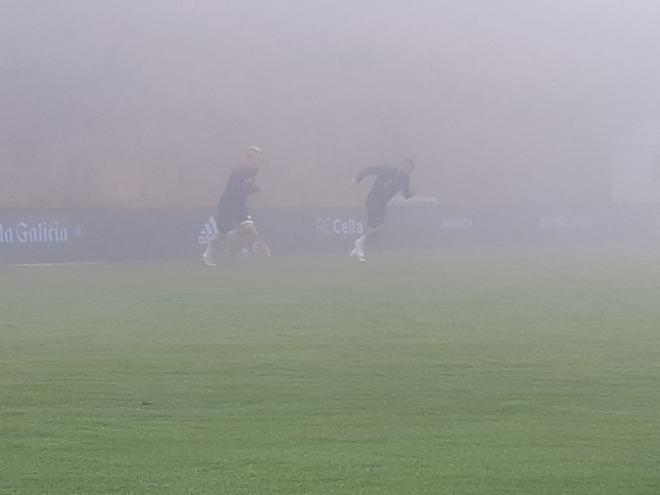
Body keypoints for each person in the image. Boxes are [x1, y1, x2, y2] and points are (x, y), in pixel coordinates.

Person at [202, 146, 269, 266]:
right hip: (228, 204)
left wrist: (254, 190)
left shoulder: (254, 171)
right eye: (256, 159)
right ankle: (207, 254)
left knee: (249, 228)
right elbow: (235, 190)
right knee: (221, 234)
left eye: (259, 159)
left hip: (239, 204)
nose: (258, 162)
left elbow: (245, 188)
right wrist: (252, 190)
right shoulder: (238, 171)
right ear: (249, 159)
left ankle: (231, 243)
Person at [351, 158, 415, 262]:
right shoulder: (387, 170)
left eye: (410, 169)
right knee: (377, 228)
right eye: (407, 166)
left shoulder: (405, 179)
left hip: (382, 204)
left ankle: (358, 247)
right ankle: (359, 244)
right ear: (402, 164)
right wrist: (357, 179)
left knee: (378, 230)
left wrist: (412, 193)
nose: (407, 170)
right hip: (373, 200)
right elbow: (368, 169)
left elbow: (406, 195)